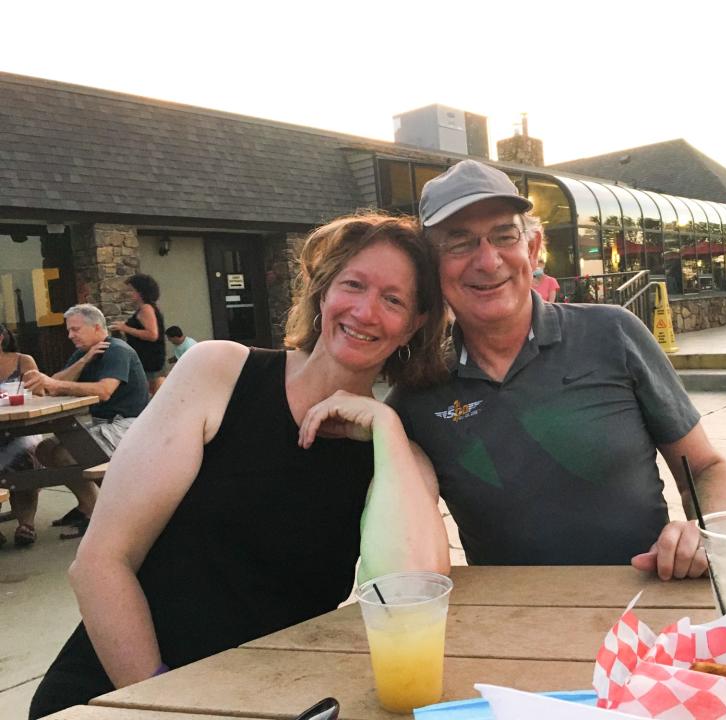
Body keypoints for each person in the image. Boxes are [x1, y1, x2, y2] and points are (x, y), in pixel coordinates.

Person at [29, 213, 451, 718]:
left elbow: (415, 596)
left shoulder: (398, 455)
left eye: (393, 299)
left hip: (265, 701)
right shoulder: (220, 374)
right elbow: (99, 564)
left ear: (415, 323)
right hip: (121, 692)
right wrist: (166, 701)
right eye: (353, 285)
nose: (364, 311)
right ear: (323, 293)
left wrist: (385, 429)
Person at [388, 160, 726, 580]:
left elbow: (705, 469)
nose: (487, 260)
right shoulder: (419, 392)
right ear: (431, 267)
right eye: (459, 243)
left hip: (647, 618)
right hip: (514, 628)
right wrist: (373, 418)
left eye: (504, 236)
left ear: (533, 249)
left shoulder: (613, 332)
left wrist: (708, 531)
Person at [20, 304, 150, 538]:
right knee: (45, 448)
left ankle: (102, 513)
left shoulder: (117, 350)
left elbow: (104, 390)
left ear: (97, 327)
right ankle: (88, 506)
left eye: (75, 329)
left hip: (129, 425)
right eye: (69, 330)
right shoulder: (85, 352)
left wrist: (55, 384)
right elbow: (53, 386)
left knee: (66, 452)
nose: (70, 335)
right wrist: (83, 361)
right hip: (102, 424)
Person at [0, 324, 45, 548]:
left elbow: (39, 392)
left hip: (23, 429)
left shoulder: (23, 361)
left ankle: (26, 524)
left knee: (25, 455)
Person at [109, 274, 166, 395]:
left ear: (140, 292)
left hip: (149, 359)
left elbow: (152, 334)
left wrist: (125, 328)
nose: (129, 294)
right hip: (150, 358)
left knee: (150, 393)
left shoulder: (146, 308)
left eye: (131, 290)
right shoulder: (148, 308)